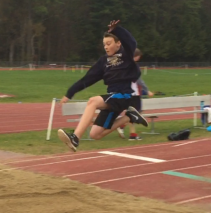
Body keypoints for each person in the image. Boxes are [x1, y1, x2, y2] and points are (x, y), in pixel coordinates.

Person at [58, 20, 148, 151]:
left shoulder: (126, 55)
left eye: (109, 43)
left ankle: (75, 138)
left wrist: (117, 30)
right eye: (104, 44)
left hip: (123, 95)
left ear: (118, 44)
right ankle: (129, 117)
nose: (106, 47)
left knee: (92, 101)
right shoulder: (103, 62)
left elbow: (132, 43)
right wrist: (70, 93)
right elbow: (87, 79)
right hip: (112, 99)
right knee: (95, 134)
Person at [117, 48, 153, 141]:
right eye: (139, 57)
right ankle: (124, 127)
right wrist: (147, 90)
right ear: (136, 56)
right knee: (136, 113)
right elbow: (139, 80)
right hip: (134, 93)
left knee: (134, 113)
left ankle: (127, 130)